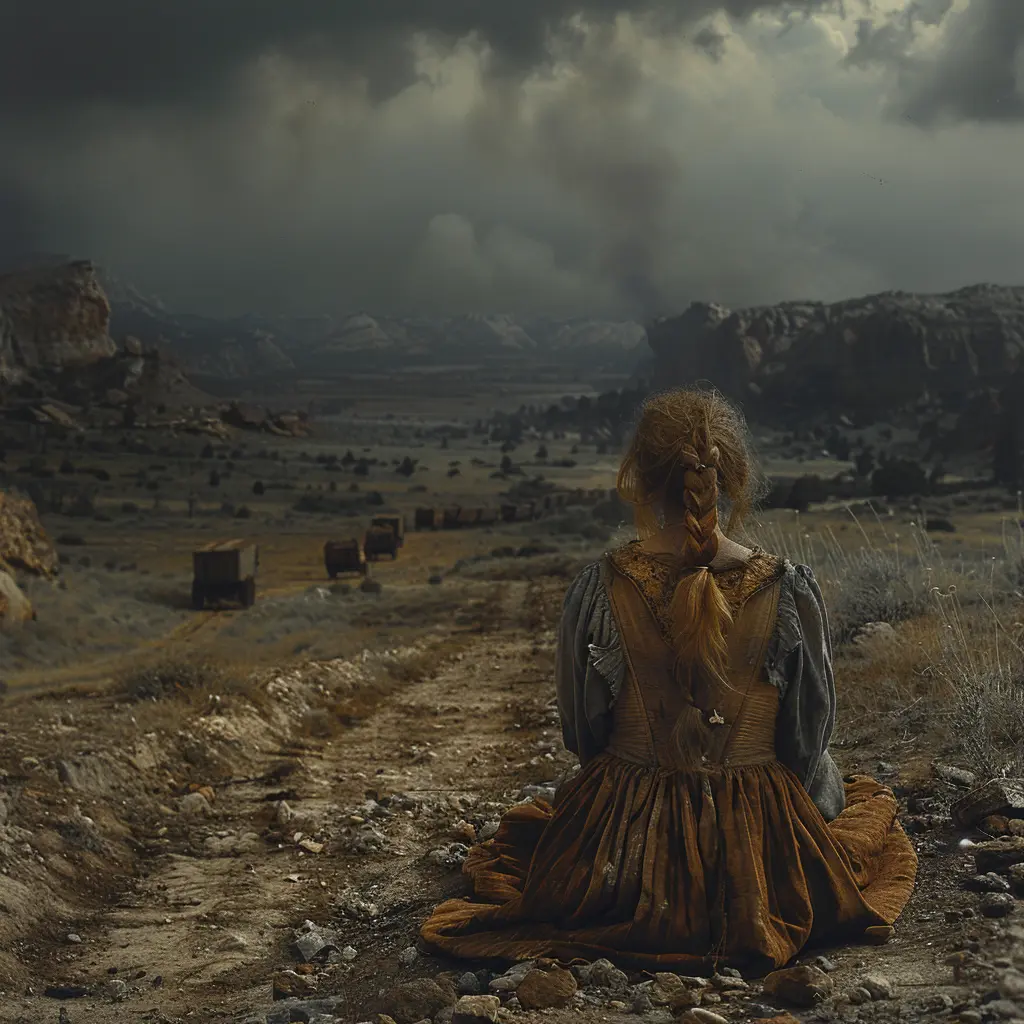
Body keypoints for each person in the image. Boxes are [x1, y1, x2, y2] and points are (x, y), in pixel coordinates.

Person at [420, 387, 917, 973]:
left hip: (624, 847)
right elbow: (805, 743)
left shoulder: (601, 585)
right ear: (732, 478)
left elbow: (584, 734)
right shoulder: (788, 588)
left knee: (539, 834)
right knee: (843, 794)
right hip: (760, 854)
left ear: (640, 478)